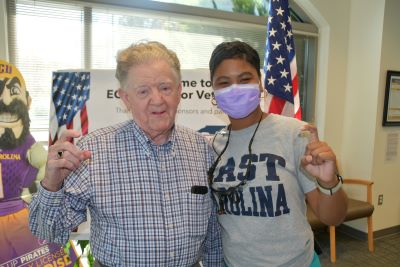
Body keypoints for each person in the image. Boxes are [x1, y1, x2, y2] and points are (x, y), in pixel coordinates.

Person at [29, 41, 223, 266]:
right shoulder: (94, 151)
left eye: (165, 88)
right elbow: (47, 231)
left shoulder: (203, 149)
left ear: (179, 91)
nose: (157, 99)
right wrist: (51, 185)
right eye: (143, 91)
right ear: (125, 98)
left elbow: (214, 237)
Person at [207, 41, 348, 267]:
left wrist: (329, 181)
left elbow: (334, 217)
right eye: (224, 83)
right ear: (214, 91)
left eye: (245, 79)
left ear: (260, 84)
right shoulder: (213, 146)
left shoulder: (296, 133)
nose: (235, 89)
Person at [0, 60, 47, 263]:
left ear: (27, 101)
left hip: (17, 216)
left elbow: (45, 167)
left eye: (13, 91)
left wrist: (34, 190)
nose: (5, 99)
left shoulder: (26, 143)